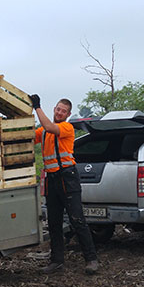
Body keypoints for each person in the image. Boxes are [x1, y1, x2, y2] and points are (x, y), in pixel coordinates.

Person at [30, 95, 98, 275]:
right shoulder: (43, 132)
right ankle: (56, 260)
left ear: (67, 114)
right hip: (51, 179)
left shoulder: (66, 128)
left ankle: (91, 259)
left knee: (77, 220)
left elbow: (49, 126)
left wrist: (37, 107)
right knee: (54, 222)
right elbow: (29, 135)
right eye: (58, 109)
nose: (59, 112)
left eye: (63, 111)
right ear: (54, 109)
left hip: (68, 177)